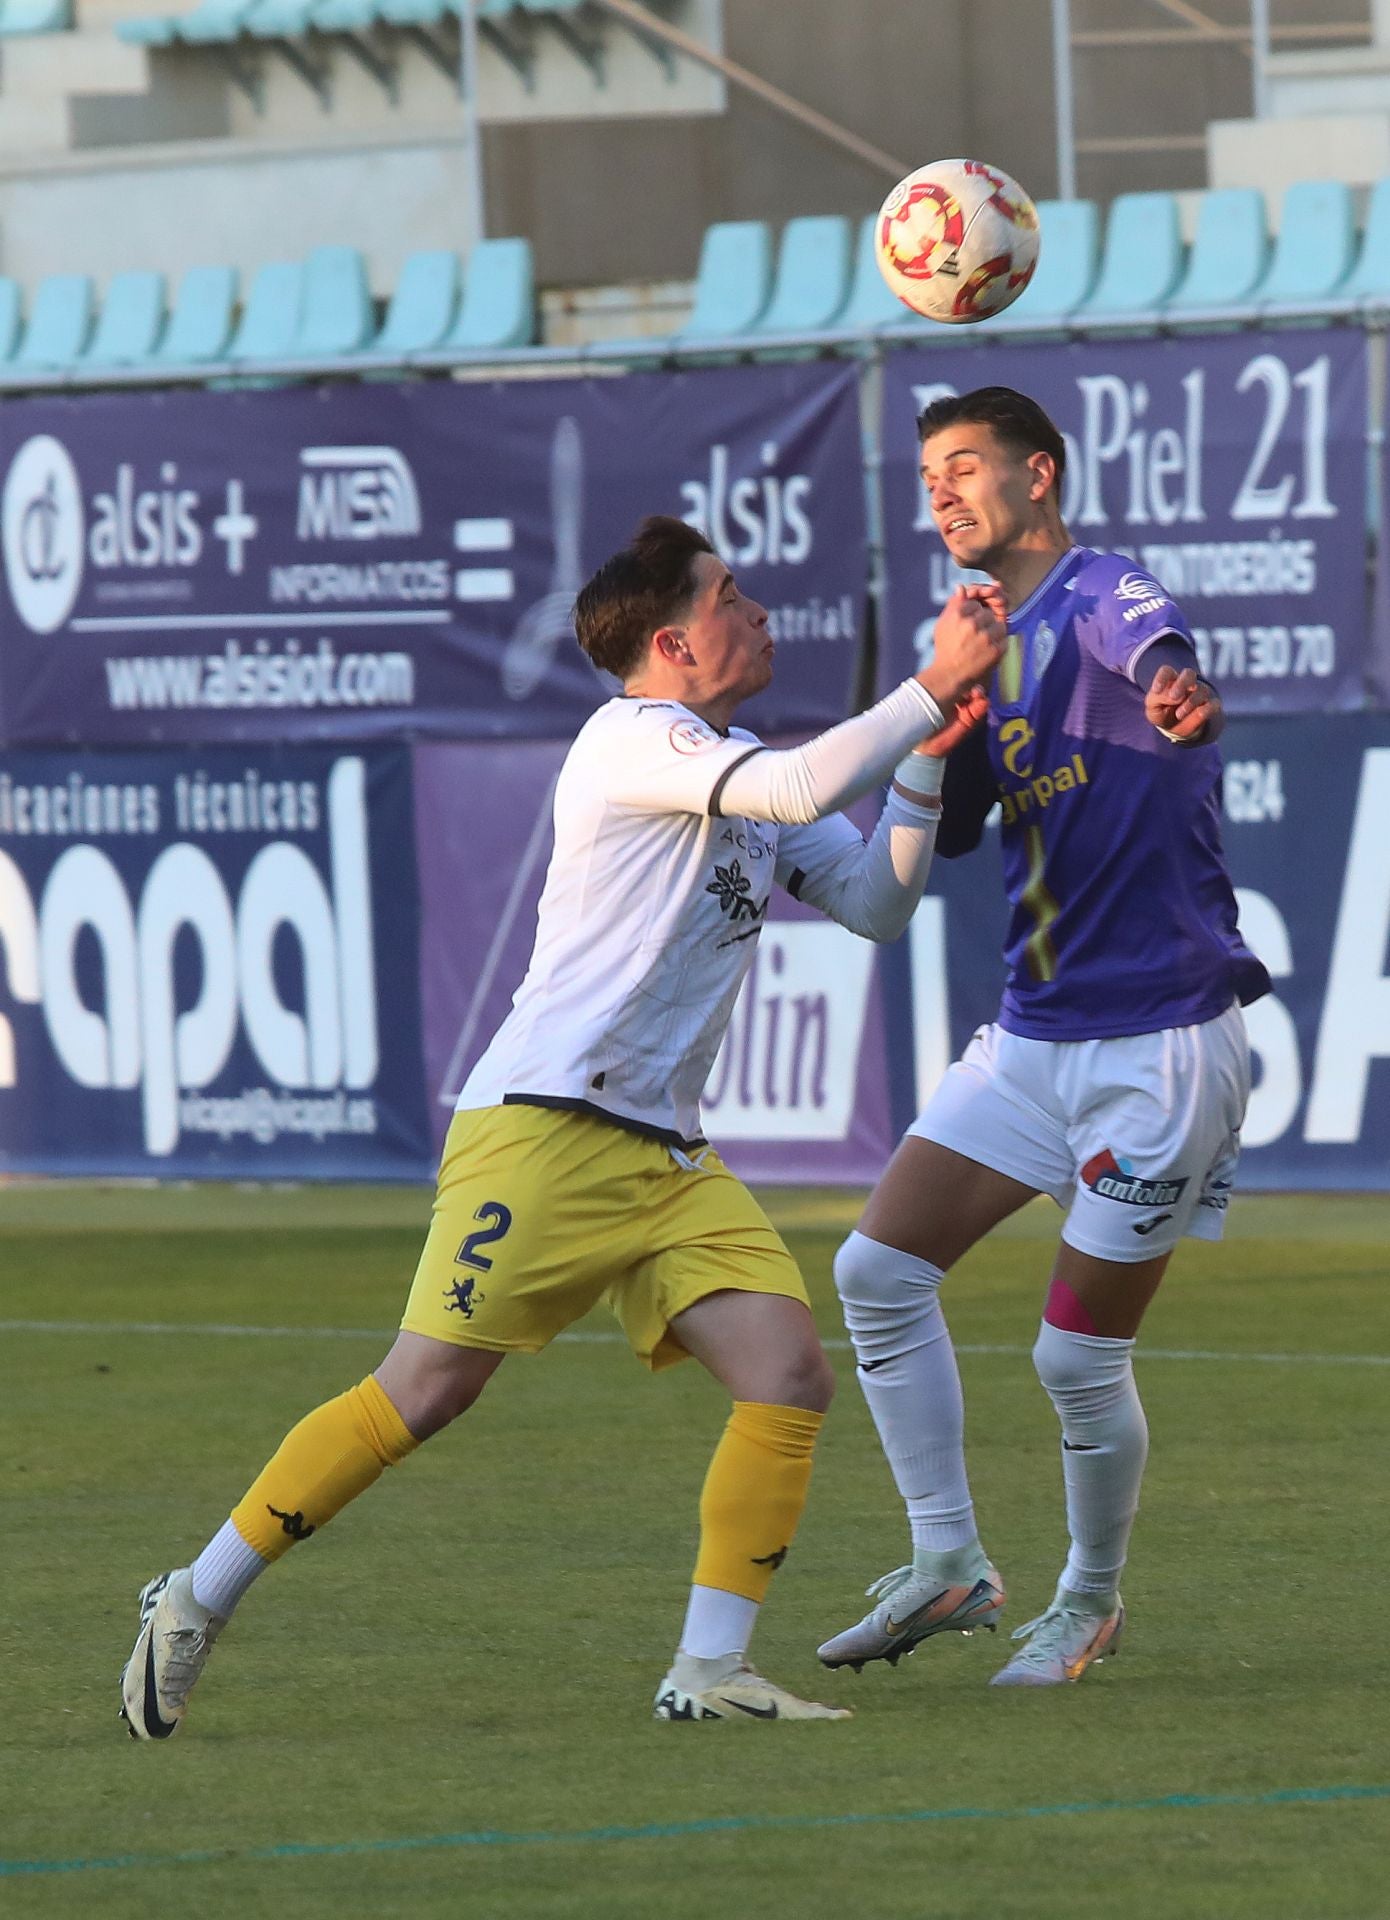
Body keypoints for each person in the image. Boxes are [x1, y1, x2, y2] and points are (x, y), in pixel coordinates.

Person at [119, 514, 1005, 1737]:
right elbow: (803, 780)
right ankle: (195, 1596)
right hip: (542, 1125)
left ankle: (707, 1668)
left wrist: (926, 757)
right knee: (423, 1391)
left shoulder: (738, 766)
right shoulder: (628, 736)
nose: (755, 611)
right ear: (670, 640)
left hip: (666, 1154)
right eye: (730, 595)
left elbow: (873, 904)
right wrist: (928, 684)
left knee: (788, 1375)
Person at [817, 387, 1271, 1688]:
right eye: (927, 478)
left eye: (965, 468)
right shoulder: (973, 635)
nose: (942, 494)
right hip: (1031, 1038)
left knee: (1074, 1353)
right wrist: (940, 711)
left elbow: (1161, 660)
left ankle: (1087, 1600)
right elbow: (955, 829)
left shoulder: (1103, 595)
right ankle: (949, 1562)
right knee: (873, 1274)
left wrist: (1177, 693)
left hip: (1159, 1049)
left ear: (1039, 474)